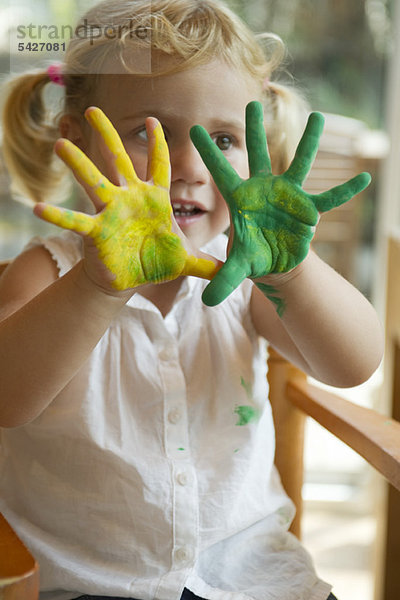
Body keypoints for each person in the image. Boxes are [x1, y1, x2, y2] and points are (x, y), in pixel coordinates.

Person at [0, 1, 383, 599]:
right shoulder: (47, 273)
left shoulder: (252, 279)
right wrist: (96, 287)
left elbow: (353, 364)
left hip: (257, 579)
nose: (186, 166)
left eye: (222, 139)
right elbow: (5, 399)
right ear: (78, 145)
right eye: (146, 134)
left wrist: (293, 271)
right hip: (92, 585)